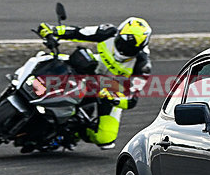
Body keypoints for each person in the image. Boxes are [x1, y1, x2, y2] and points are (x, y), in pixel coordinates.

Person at [35, 17, 152, 149]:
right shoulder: (108, 32)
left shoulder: (143, 66)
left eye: (131, 48)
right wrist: (52, 30)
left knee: (105, 139)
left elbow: (132, 99)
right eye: (122, 42)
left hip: (110, 91)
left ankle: (72, 132)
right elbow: (79, 32)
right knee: (50, 59)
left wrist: (114, 98)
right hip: (90, 70)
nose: (124, 49)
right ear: (118, 33)